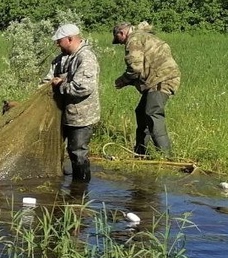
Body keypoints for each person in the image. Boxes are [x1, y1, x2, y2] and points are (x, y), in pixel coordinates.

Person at [112, 21, 181, 156]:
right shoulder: (143, 36)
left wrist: (122, 81)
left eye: (118, 39)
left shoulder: (134, 39)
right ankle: (140, 151)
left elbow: (135, 68)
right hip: (159, 79)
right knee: (141, 112)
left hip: (162, 79)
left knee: (152, 113)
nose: (120, 43)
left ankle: (165, 156)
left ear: (122, 33)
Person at [43, 23, 100, 182]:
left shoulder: (86, 57)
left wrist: (60, 84)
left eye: (59, 41)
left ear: (69, 39)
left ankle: (80, 190)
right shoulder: (60, 59)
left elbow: (83, 88)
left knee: (77, 152)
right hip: (62, 115)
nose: (57, 44)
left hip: (81, 116)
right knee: (55, 149)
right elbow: (47, 80)